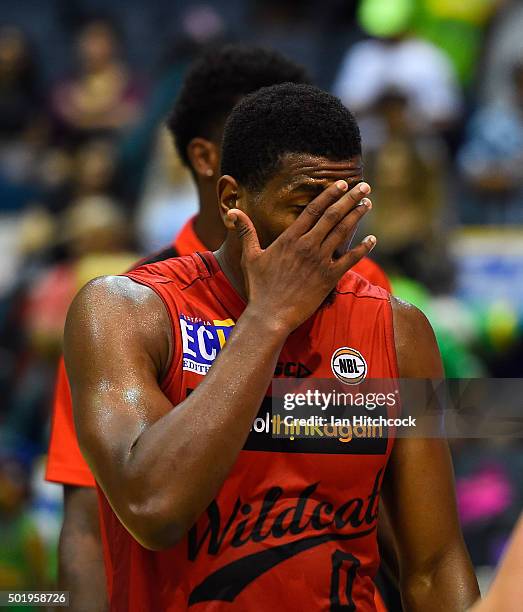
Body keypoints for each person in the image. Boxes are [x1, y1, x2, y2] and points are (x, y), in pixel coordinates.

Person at [64, 83, 479, 610]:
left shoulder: (399, 330)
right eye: (306, 208)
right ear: (232, 200)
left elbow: (434, 564)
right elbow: (152, 507)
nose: (331, 234)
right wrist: (267, 318)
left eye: (347, 208)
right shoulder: (127, 311)